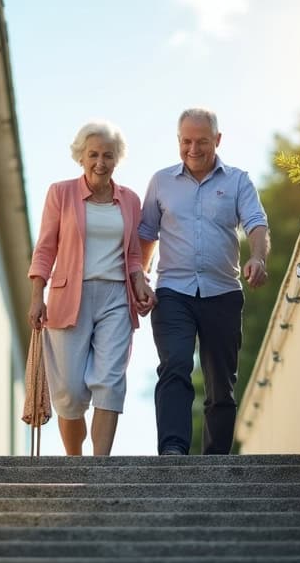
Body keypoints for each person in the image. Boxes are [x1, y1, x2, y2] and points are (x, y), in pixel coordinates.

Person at [138, 108, 270, 455]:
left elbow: (256, 223)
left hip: (223, 293)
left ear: (218, 140)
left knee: (221, 385)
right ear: (178, 140)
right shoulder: (161, 181)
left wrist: (258, 257)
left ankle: (215, 462)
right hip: (172, 293)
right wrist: (141, 277)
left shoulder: (238, 180)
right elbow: (146, 235)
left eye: (202, 141)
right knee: (175, 365)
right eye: (186, 141)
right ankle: (173, 449)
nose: (193, 149)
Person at [28, 121, 156, 456]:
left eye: (108, 155)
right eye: (93, 154)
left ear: (117, 160)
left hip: (116, 298)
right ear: (81, 157)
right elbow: (45, 248)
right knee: (69, 392)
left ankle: (100, 468)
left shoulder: (129, 200)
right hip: (69, 297)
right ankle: (76, 461)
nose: (101, 162)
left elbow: (132, 254)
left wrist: (141, 283)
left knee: (110, 382)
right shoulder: (61, 193)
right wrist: (36, 295)